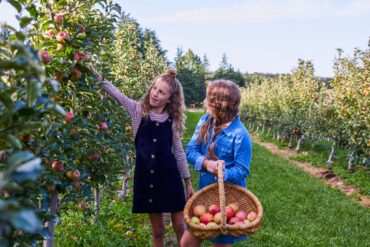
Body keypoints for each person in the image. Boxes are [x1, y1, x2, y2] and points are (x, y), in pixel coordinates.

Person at [89, 65, 194, 247]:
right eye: (154, 88)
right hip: (147, 177)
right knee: (158, 230)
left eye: (161, 92)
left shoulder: (172, 121)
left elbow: (178, 152)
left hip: (169, 177)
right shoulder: (138, 111)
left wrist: (188, 182)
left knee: (179, 225)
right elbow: (118, 95)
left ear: (170, 99)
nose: (155, 93)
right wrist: (97, 76)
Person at [181, 79, 252, 247]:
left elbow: (242, 170)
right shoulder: (205, 121)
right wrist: (206, 164)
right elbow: (190, 151)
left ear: (220, 104)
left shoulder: (240, 135)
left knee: (220, 244)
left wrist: (222, 173)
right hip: (205, 194)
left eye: (208, 99)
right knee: (187, 243)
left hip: (227, 200)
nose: (205, 102)